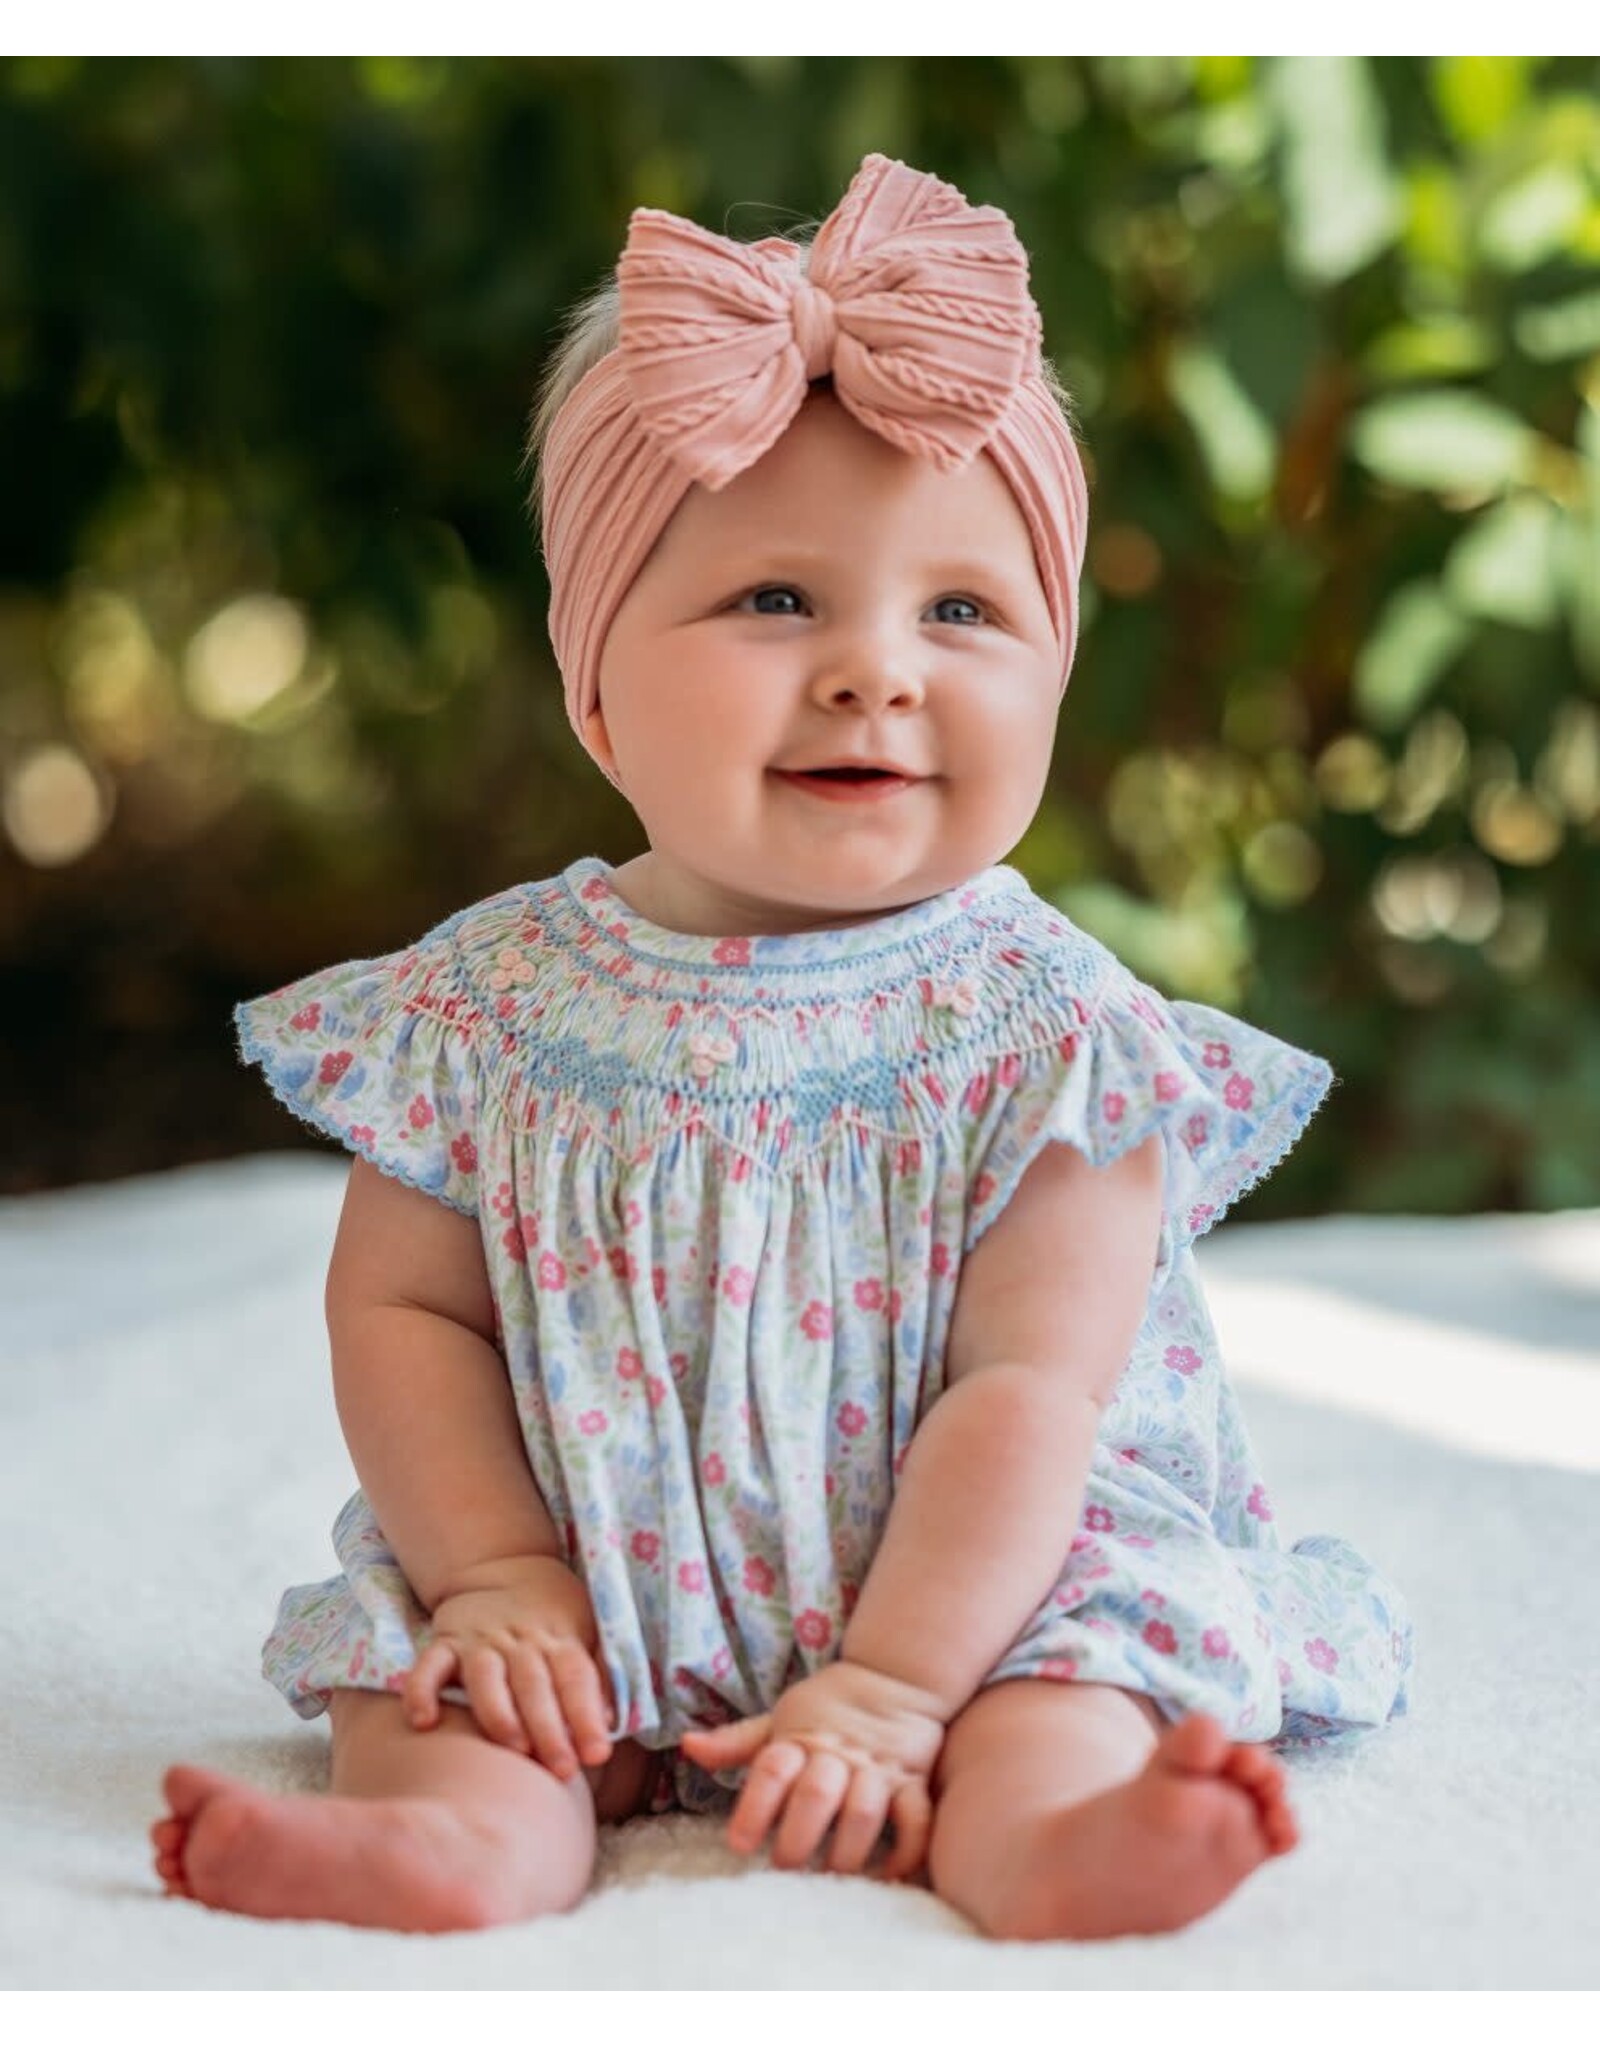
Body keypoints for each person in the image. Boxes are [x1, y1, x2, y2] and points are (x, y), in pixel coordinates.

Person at [151, 153, 1412, 1941]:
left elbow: (1028, 1394)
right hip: (592, 1548)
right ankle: (441, 1847)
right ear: (596, 685)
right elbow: (405, 1310)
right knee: (457, 1694)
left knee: (1059, 1690)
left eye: (962, 612)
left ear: (1055, 675)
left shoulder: (1054, 1035)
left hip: (983, 1587)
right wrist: (504, 1576)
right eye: (774, 602)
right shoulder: (489, 1008)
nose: (875, 672)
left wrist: (896, 1687)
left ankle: (1062, 1839)